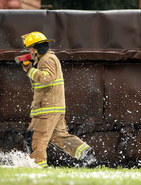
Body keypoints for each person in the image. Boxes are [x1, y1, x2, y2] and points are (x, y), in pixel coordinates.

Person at [18, 31, 96, 168]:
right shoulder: (47, 59)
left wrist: (29, 69)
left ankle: (38, 166)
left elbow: (46, 79)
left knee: (36, 138)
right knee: (59, 136)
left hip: (47, 108)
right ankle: (85, 154)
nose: (29, 51)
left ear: (36, 48)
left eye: (30, 48)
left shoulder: (46, 59)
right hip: (54, 107)